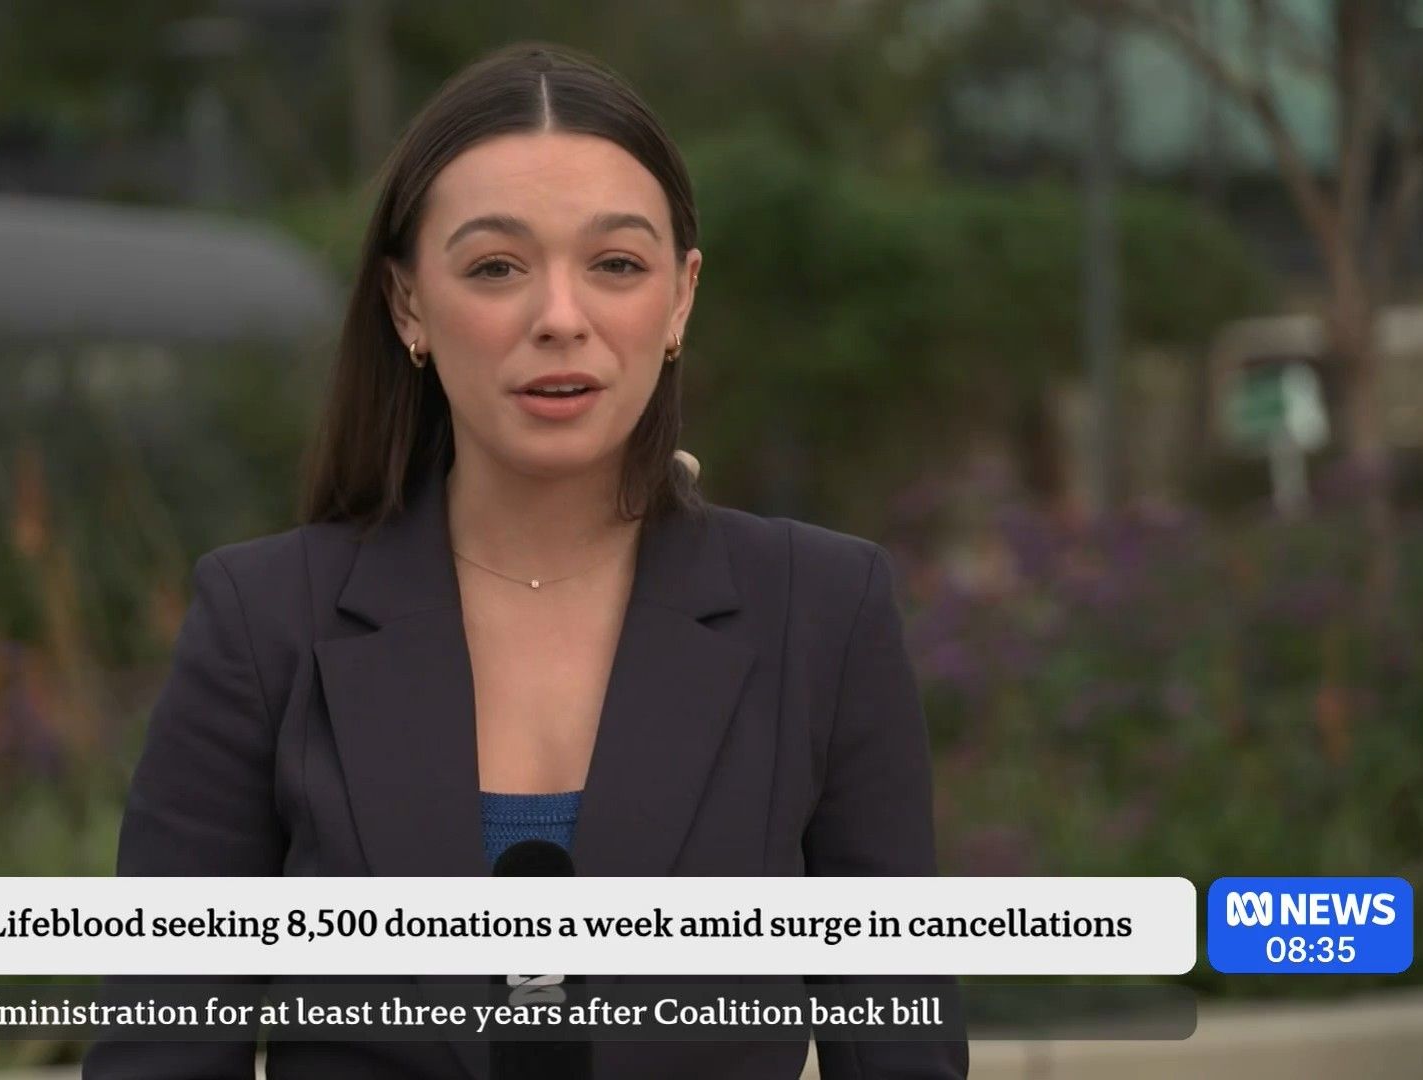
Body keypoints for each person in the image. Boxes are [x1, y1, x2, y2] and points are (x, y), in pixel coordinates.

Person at [85, 41, 966, 1080]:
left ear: (681, 298)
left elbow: (901, 1050)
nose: (560, 319)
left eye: (616, 265)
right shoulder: (263, 621)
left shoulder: (820, 611)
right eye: (496, 267)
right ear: (408, 304)